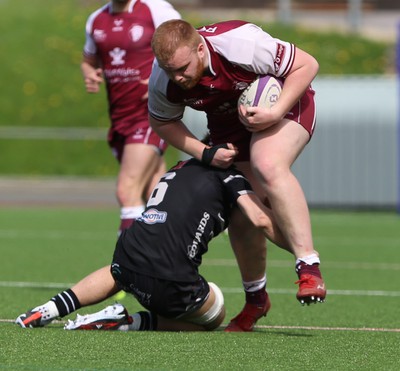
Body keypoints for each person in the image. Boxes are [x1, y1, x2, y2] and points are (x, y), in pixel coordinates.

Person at [147, 19, 327, 330]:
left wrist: (274, 110)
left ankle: (308, 266)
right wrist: (204, 153)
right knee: (243, 209)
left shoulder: (239, 44)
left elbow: (307, 65)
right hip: (232, 123)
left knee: (267, 162)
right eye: (170, 71)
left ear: (200, 49)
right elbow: (163, 123)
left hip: (286, 101)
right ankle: (256, 300)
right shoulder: (163, 78)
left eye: (183, 68)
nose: (177, 77)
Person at [16, 157, 288, 332]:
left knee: (118, 270)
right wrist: (304, 252)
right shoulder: (232, 177)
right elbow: (261, 220)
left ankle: (49, 309)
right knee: (215, 314)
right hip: (170, 277)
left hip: (129, 250)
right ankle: (128, 323)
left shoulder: (180, 166)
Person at [81, 0, 181, 234]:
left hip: (150, 114)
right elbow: (88, 60)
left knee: (127, 190)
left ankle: (128, 266)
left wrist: (164, 78)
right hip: (119, 117)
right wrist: (90, 73)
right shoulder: (96, 19)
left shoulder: (155, 9)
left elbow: (187, 45)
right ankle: (167, 259)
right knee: (155, 194)